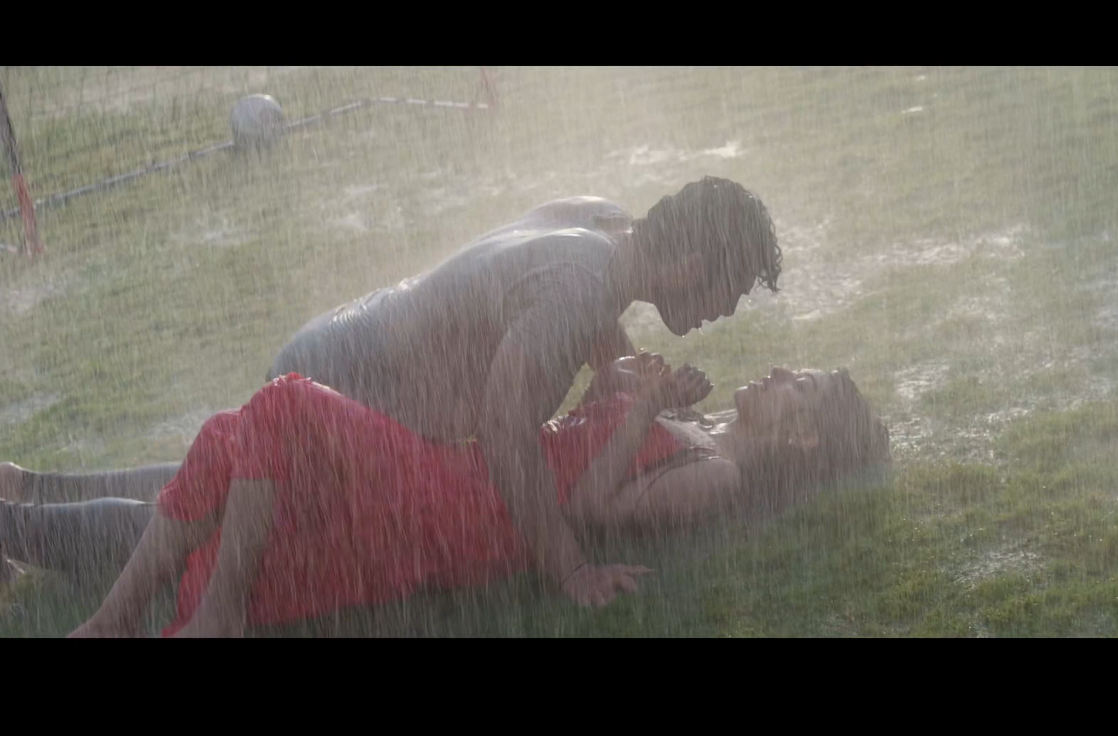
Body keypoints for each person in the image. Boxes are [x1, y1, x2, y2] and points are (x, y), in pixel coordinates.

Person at [1, 177, 784, 608]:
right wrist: (568, 566)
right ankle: (15, 531)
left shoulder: (600, 225)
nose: (727, 310)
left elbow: (563, 315)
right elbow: (505, 431)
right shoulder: (585, 288)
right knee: (213, 527)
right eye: (733, 289)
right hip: (349, 389)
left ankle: (27, 490)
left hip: (338, 343)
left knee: (212, 482)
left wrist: (624, 372)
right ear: (691, 268)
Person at [2, 355, 888, 637]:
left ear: (804, 438)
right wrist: (625, 387)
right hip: (466, 471)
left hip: (480, 515)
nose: (782, 373)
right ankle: (109, 617)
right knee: (231, 440)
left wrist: (644, 410)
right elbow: (580, 436)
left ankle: (206, 613)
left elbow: (594, 508)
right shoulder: (697, 418)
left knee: (280, 406)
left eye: (800, 388)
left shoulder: (721, 476)